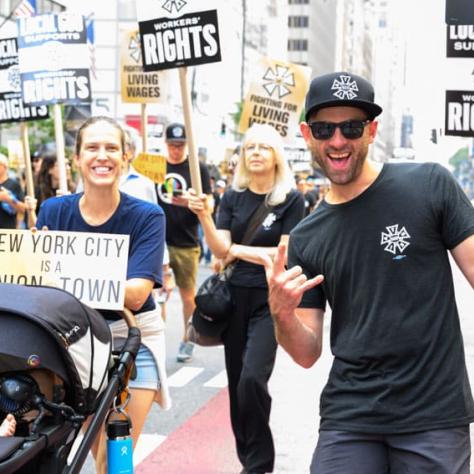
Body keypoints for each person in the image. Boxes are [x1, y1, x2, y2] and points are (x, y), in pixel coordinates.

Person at [263, 71, 474, 474]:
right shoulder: (306, 236)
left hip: (433, 413)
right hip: (351, 415)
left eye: (351, 127)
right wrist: (280, 312)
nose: (337, 141)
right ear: (308, 134)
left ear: (372, 130)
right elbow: (306, 353)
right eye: (325, 129)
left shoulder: (429, 184)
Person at [35, 116, 171, 474]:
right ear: (77, 158)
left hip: (132, 342)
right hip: (74, 346)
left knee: (113, 461)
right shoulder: (53, 211)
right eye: (92, 147)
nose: (102, 156)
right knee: (85, 454)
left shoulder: (148, 216)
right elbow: (35, 281)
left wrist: (63, 271)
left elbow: (137, 294)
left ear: (125, 156)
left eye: (111, 147)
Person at [188, 123, 305, 474]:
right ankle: (249, 461)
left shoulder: (291, 199)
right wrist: (205, 217)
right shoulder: (233, 197)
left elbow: (283, 252)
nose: (255, 153)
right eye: (249, 147)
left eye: (264, 147)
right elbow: (220, 247)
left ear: (276, 156)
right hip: (233, 298)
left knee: (254, 377)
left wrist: (237, 250)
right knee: (239, 383)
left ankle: (259, 462)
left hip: (269, 300)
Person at [157, 122, 212, 362]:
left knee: (188, 295)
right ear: (165, 144)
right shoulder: (157, 166)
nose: (176, 150)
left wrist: (199, 203)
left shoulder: (197, 168)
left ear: (187, 145)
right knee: (157, 295)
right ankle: (154, 343)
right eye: (172, 145)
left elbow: (209, 203)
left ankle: (188, 339)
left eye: (180, 145)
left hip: (187, 241)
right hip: (158, 240)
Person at [0, 153, 26, 229]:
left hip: (8, 230)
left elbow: (23, 209)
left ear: (5, 166)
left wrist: (9, 199)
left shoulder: (14, 184)